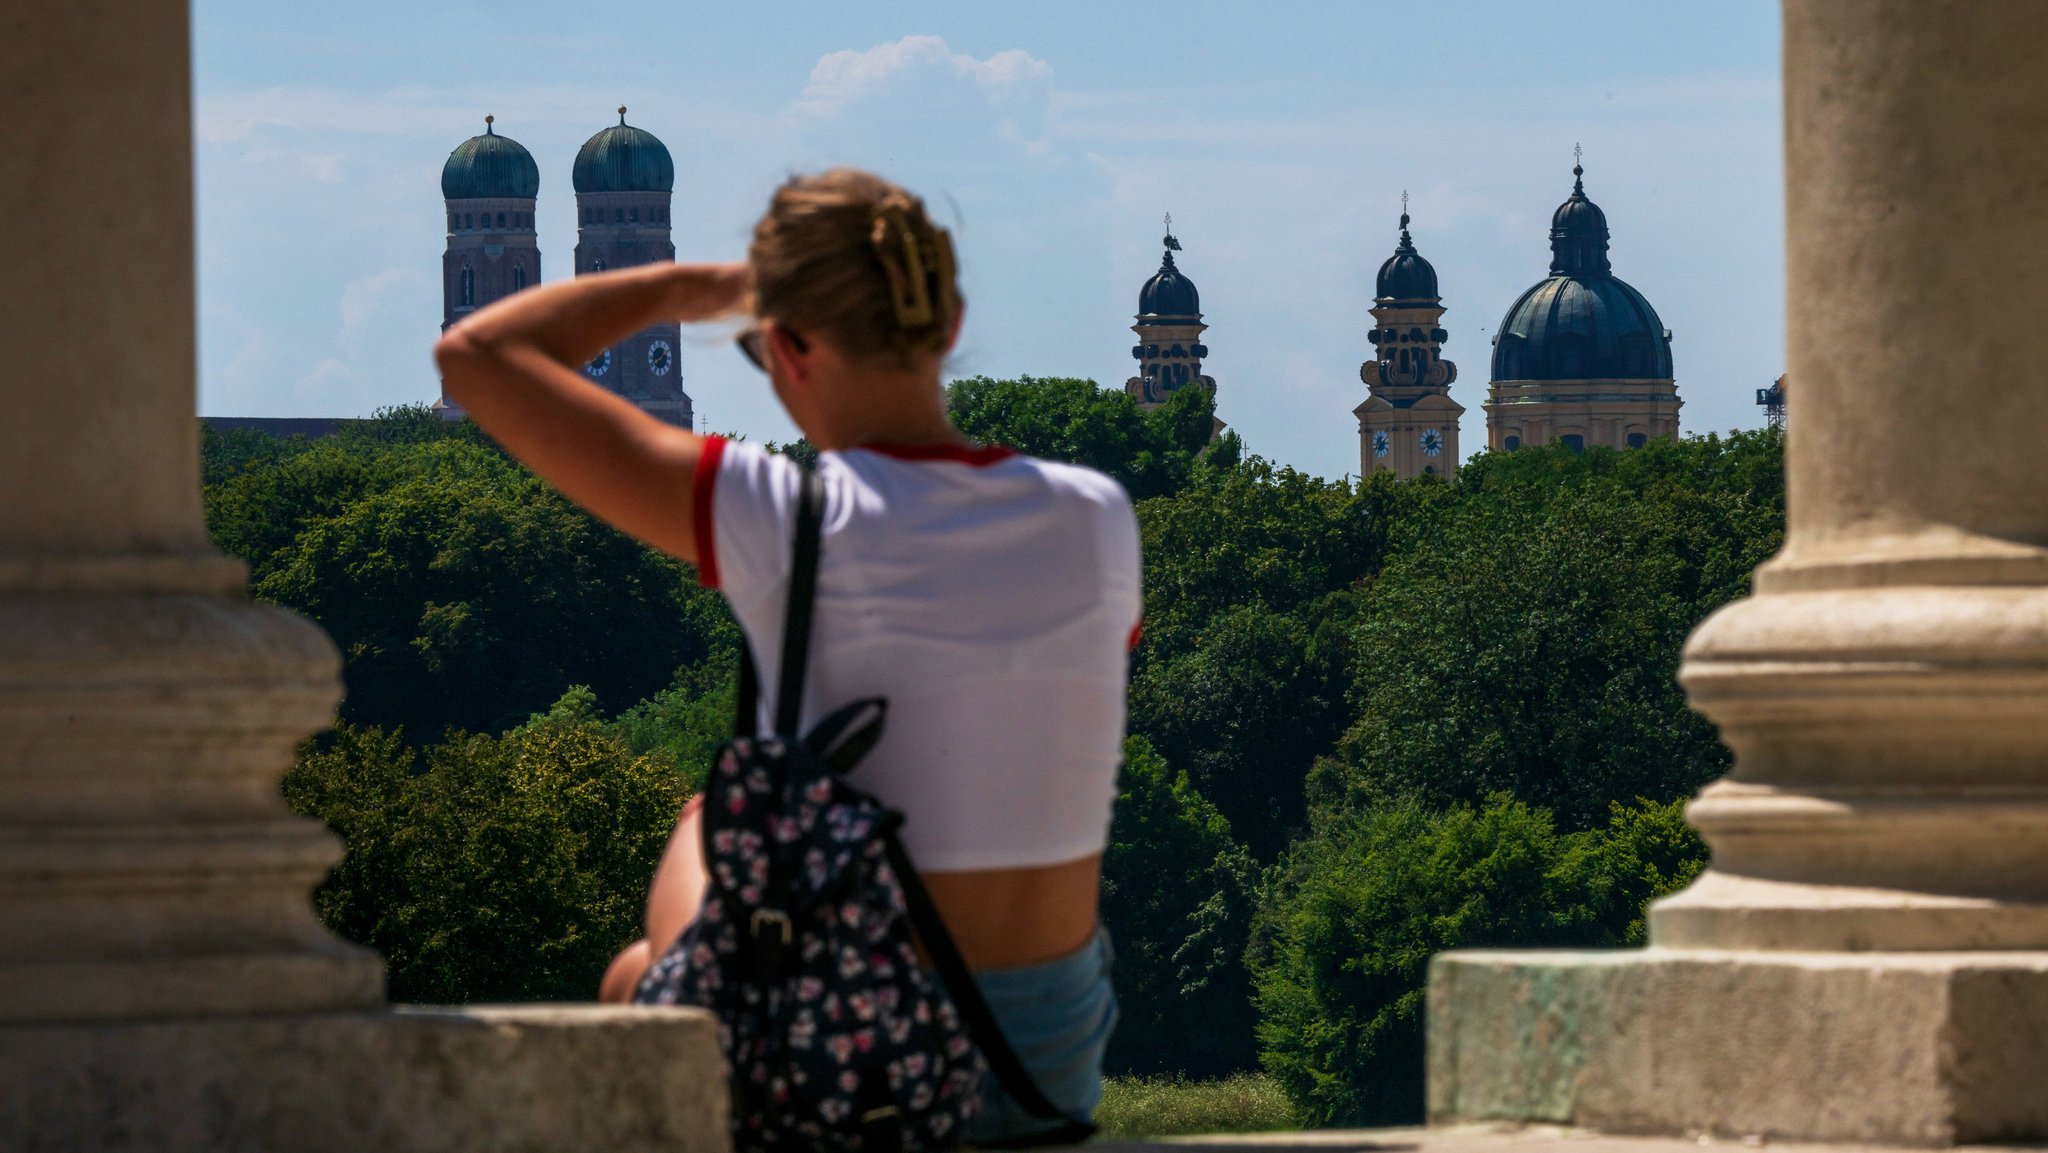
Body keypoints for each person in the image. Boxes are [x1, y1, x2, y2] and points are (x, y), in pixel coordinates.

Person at [433, 168, 1137, 1143]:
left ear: (788, 345)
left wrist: (696, 287)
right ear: (950, 318)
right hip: (1046, 1082)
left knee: (693, 851)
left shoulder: (784, 516)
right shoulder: (1097, 516)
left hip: (853, 1073)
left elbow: (476, 354)